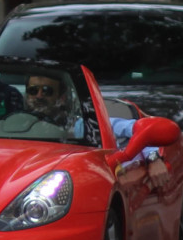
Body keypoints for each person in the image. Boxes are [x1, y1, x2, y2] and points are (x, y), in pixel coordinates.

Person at [24, 73, 165, 176]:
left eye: (47, 91)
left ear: (62, 98)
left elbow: (145, 130)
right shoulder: (7, 126)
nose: (39, 96)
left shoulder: (86, 125)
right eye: (33, 91)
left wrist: (152, 158)